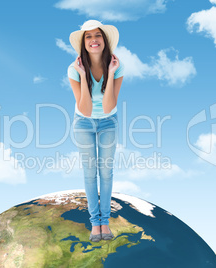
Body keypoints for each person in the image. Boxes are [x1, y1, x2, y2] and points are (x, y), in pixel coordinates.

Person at [67, 20, 124, 242]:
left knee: (106, 173)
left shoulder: (117, 66)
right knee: (90, 174)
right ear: (83, 43)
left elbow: (109, 106)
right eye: (88, 37)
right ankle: (95, 224)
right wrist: (83, 75)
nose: (93, 40)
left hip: (109, 122)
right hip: (83, 123)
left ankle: (105, 222)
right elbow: (86, 110)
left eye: (97, 35)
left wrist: (110, 73)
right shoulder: (73, 69)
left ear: (104, 40)